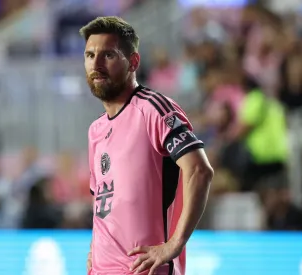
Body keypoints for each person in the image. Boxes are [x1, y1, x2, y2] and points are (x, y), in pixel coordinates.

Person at [80, 16, 214, 275]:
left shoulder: (152, 109)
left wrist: (174, 244)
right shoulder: (95, 130)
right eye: (89, 55)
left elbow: (199, 170)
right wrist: (94, 249)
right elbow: (103, 201)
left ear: (133, 62)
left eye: (108, 55)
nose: (95, 64)